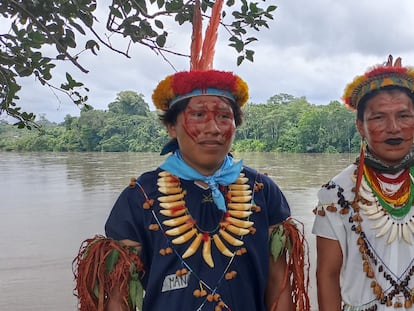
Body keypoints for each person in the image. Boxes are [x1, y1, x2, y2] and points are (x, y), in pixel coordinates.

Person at [73, 1, 309, 311]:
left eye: (224, 116)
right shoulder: (139, 197)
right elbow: (118, 298)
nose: (213, 128)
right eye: (198, 114)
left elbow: (278, 287)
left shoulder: (263, 192)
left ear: (235, 125)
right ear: (171, 126)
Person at [312, 55, 414, 311]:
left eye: (404, 116)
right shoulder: (336, 192)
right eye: (378, 118)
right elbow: (326, 275)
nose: (393, 128)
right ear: (361, 126)